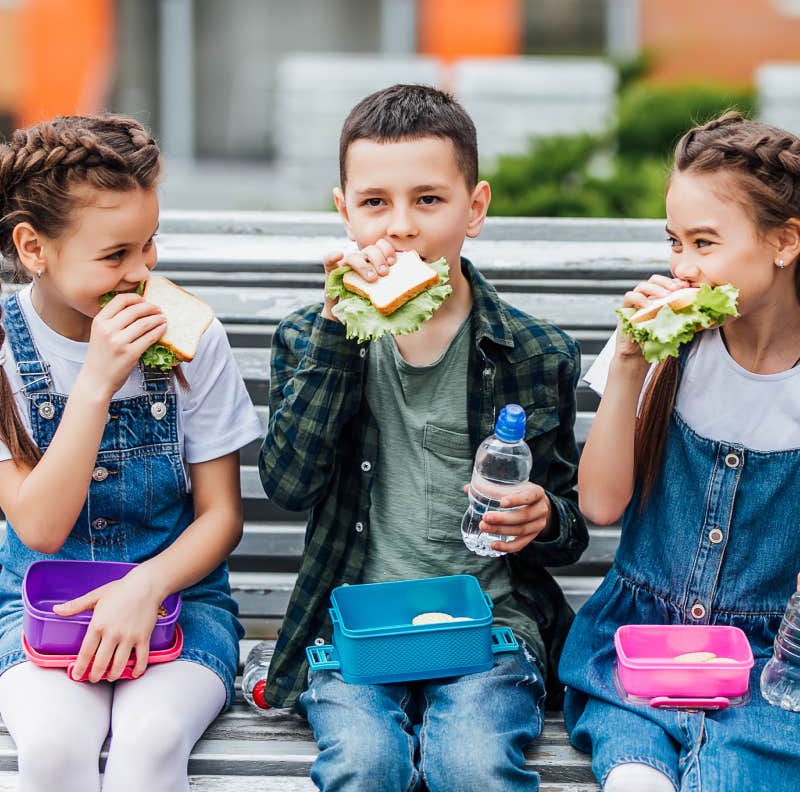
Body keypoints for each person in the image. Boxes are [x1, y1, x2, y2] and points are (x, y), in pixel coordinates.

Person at [258, 84, 588, 791]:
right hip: (355, 628)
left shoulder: (534, 352)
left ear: (476, 208)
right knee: (365, 764)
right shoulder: (311, 337)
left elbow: (568, 529)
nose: (400, 226)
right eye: (375, 202)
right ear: (344, 211)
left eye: (429, 200)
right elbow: (290, 485)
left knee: (471, 765)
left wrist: (542, 516)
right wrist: (338, 330)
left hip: (490, 627)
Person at [0, 115, 262, 792]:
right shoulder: (4, 354)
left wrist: (145, 585)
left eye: (149, 247)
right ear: (34, 247)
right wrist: (95, 383)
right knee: (55, 747)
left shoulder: (192, 339)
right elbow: (39, 526)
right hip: (40, 605)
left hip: (179, 599)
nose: (141, 273)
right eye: (115, 256)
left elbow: (221, 516)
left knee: (150, 744)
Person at [559, 111, 800, 792]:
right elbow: (602, 504)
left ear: (784, 242)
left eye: (704, 243)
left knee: (736, 772)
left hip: (767, 662)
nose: (682, 268)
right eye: (674, 243)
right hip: (638, 645)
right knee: (636, 773)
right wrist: (632, 362)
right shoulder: (663, 348)